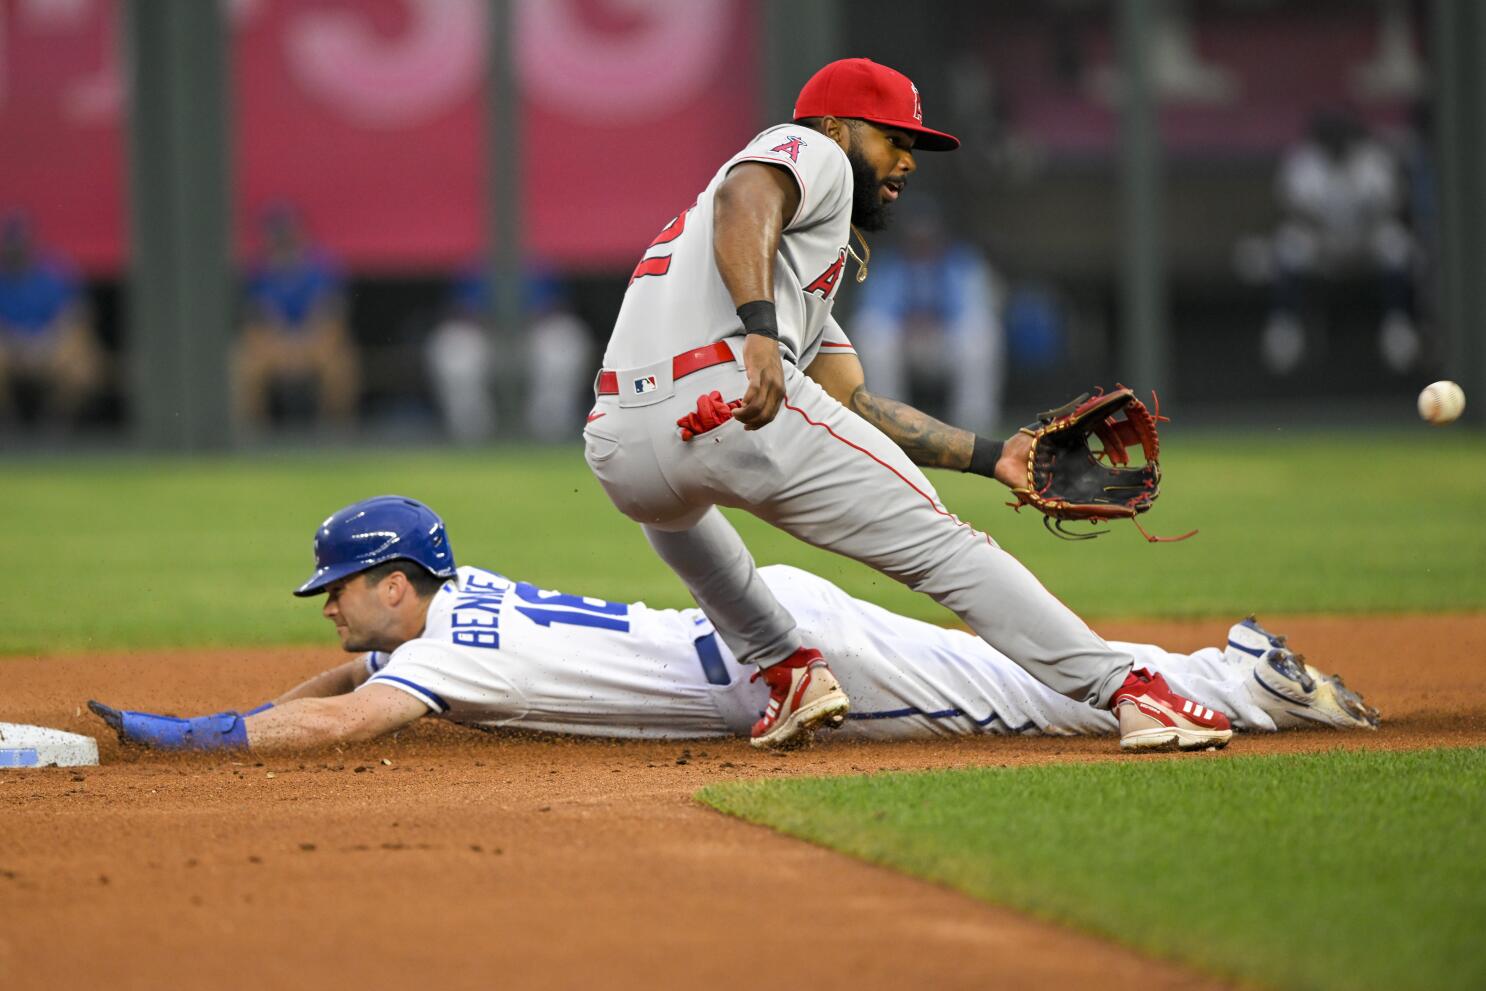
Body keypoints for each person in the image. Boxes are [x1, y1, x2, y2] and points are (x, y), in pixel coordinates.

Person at [583, 57, 1234, 751]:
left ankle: (787, 669)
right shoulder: (816, 155)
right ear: (836, 127)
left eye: (912, 145)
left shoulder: (782, 270)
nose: (907, 161)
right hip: (731, 389)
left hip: (618, 448)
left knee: (683, 525)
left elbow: (852, 404)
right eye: (892, 139)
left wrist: (993, 457)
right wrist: (761, 333)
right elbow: (747, 194)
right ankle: (1130, 690)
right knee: (943, 548)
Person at [87, 496, 1379, 755]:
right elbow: (363, 666)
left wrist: (203, 731)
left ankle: (1237, 675)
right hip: (761, 632)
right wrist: (305, 675)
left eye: (341, 587)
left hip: (787, 659)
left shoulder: (442, 650)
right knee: (1012, 672)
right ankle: (1223, 663)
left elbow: (362, 706)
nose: (333, 608)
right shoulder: (453, 599)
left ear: (392, 580)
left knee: (1036, 697)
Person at [1261, 108, 1418, 375]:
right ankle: (1286, 327)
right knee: (1290, 246)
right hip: (1319, 242)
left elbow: (1390, 207)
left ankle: (1398, 325)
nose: (1336, 143)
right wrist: (1327, 239)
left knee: (1396, 244)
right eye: (1329, 138)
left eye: (1341, 137)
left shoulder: (1372, 160)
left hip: (1365, 239)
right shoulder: (1304, 162)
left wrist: (1359, 237)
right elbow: (1293, 209)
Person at [851, 201, 1004, 434]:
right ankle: (889, 423)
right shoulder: (888, 265)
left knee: (980, 332)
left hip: (944, 342)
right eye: (916, 237)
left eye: (928, 237)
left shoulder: (962, 262)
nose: (922, 243)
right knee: (870, 331)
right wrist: (910, 324)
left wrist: (934, 323)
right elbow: (875, 309)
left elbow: (972, 307)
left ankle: (973, 425)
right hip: (904, 343)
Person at [233, 205, 359, 431]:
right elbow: (256, 323)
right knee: (243, 364)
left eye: (286, 232)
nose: (281, 239)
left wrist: (303, 348)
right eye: (276, 234)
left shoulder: (324, 268)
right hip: (274, 344)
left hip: (315, 342)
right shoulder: (258, 272)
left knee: (340, 365)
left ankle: (335, 434)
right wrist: (283, 348)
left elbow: (332, 321)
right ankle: (252, 436)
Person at [0, 213, 104, 428]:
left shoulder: (55, 273)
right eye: (12, 244)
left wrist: (49, 343)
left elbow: (77, 317)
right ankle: (9, 426)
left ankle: (54, 425)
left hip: (51, 345)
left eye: (21, 243)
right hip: (11, 347)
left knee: (82, 367)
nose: (16, 249)